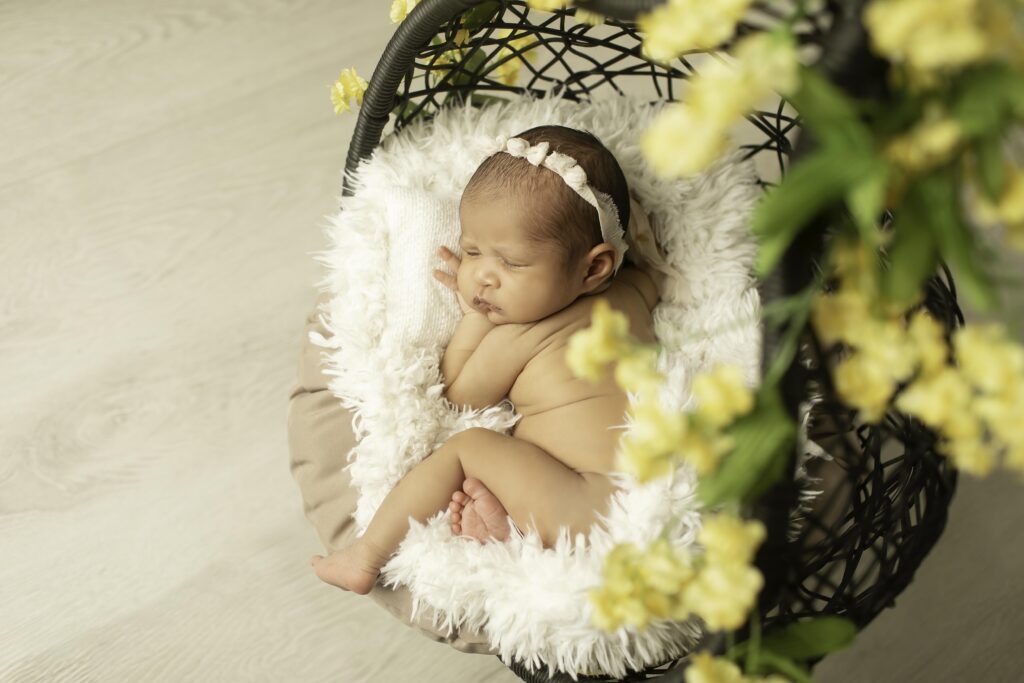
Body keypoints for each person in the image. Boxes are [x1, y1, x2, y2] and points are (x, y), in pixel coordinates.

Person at [311, 125, 661, 595]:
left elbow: (456, 394)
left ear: (594, 267)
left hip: (584, 499)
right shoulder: (631, 291)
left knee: (468, 447)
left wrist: (474, 317)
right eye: (471, 250)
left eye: (512, 263)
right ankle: (505, 527)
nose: (481, 277)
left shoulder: (518, 336)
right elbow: (658, 276)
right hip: (638, 496)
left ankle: (366, 553)